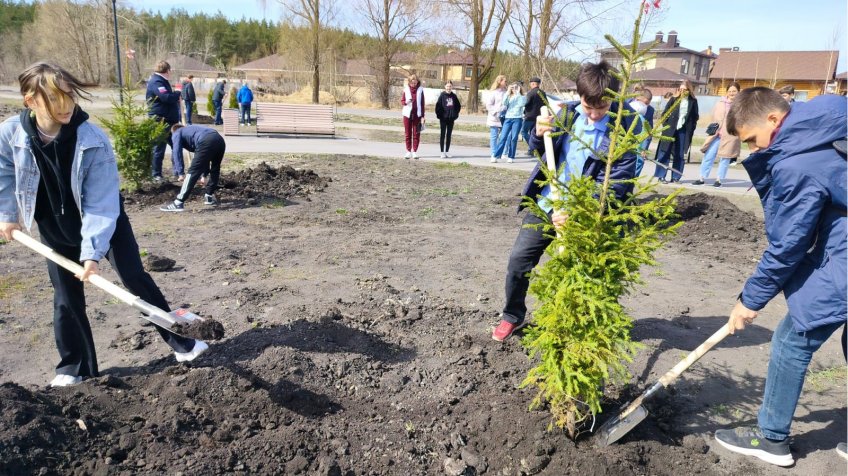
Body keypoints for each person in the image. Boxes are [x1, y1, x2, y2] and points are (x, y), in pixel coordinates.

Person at [0, 62, 209, 387]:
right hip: (53, 226)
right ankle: (74, 368)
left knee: (134, 279)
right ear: (31, 101)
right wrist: (6, 215)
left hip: (104, 223)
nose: (65, 106)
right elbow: (5, 172)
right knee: (66, 297)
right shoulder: (10, 133)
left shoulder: (92, 139)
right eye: (54, 99)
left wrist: (92, 254)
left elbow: (100, 204)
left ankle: (184, 342)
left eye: (68, 96)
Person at [712, 88, 846, 467]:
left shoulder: (798, 164)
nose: (753, 150)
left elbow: (788, 245)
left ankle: (771, 439)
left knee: (793, 339)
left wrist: (750, 300)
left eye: (752, 140)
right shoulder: (827, 115)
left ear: (774, 118)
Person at [492, 61, 640, 341]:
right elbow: (541, 152)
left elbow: (618, 185)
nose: (595, 115)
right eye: (589, 107)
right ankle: (512, 315)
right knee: (518, 263)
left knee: (577, 272)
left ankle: (574, 324)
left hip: (587, 216)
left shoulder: (623, 131)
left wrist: (578, 211)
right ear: (579, 97)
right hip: (547, 204)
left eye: (602, 108)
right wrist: (538, 133)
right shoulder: (565, 115)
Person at [160, 124, 225, 212]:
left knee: (192, 172)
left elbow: (176, 152)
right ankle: (209, 196)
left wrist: (180, 173)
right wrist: (204, 176)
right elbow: (204, 158)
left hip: (206, 141)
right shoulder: (192, 130)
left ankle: (178, 203)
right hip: (219, 139)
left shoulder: (176, 132)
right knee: (215, 169)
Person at [694, 82, 741, 187]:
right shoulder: (720, 102)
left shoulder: (741, 105)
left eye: (734, 91)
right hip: (716, 134)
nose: (732, 93)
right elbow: (713, 116)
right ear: (727, 92)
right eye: (730, 91)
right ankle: (702, 178)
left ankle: (719, 180)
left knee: (725, 158)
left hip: (730, 136)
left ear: (738, 92)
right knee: (709, 156)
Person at [652, 80, 699, 183]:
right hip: (670, 129)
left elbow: (695, 116)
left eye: (684, 89)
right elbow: (665, 113)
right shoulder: (673, 99)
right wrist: (666, 125)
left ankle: (675, 177)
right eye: (680, 89)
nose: (682, 91)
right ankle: (661, 176)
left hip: (683, 131)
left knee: (679, 154)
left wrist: (691, 128)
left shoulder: (693, 101)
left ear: (689, 90)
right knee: (665, 152)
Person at [145, 60, 183, 182]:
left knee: (176, 145)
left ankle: (178, 172)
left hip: (170, 121)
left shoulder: (162, 81)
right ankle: (156, 174)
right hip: (160, 121)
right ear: (167, 71)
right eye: (170, 71)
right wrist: (177, 93)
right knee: (159, 147)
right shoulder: (156, 81)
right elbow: (166, 97)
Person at [491, 82, 526, 163]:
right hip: (508, 118)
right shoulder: (509, 96)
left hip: (517, 119)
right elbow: (504, 103)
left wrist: (518, 93)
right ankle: (496, 155)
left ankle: (511, 156)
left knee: (513, 138)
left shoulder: (522, 97)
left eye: (516, 87)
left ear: (519, 88)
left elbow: (521, 104)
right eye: (513, 87)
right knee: (503, 137)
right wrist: (507, 92)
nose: (514, 89)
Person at [629, 88, 655, 176]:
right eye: (645, 103)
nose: (646, 106)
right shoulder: (625, 104)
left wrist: (644, 148)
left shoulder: (649, 110)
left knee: (639, 160)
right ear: (637, 99)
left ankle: (633, 180)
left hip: (640, 140)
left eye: (648, 104)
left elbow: (648, 130)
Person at [401, 74, 425, 160]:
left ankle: (414, 151)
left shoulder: (420, 90)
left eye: (415, 83)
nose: (413, 84)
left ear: (417, 82)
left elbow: (422, 104)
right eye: (412, 82)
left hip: (417, 115)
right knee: (408, 134)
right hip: (407, 115)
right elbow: (402, 102)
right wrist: (407, 102)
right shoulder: (406, 89)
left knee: (416, 134)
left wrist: (423, 116)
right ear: (409, 82)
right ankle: (408, 151)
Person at [435, 80, 461, 158]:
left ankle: (447, 151)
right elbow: (438, 107)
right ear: (445, 87)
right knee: (443, 134)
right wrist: (440, 115)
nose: (449, 88)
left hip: (451, 119)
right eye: (447, 86)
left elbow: (458, 106)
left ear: (452, 87)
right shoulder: (442, 96)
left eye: (450, 86)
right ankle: (442, 152)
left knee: (449, 135)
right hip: (443, 118)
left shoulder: (454, 96)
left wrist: (455, 114)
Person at [522, 77, 547, 154]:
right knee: (533, 133)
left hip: (529, 116)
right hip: (539, 117)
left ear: (532, 84)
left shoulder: (531, 93)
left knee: (524, 132)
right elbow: (546, 104)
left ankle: (534, 147)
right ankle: (531, 150)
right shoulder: (543, 93)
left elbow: (526, 103)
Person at [486, 75, 507, 158]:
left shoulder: (506, 92)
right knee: (494, 136)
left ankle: (502, 152)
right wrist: (495, 112)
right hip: (494, 117)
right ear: (500, 82)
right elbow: (489, 105)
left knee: (504, 136)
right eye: (504, 81)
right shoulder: (494, 92)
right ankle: (494, 153)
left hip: (504, 117)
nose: (506, 83)